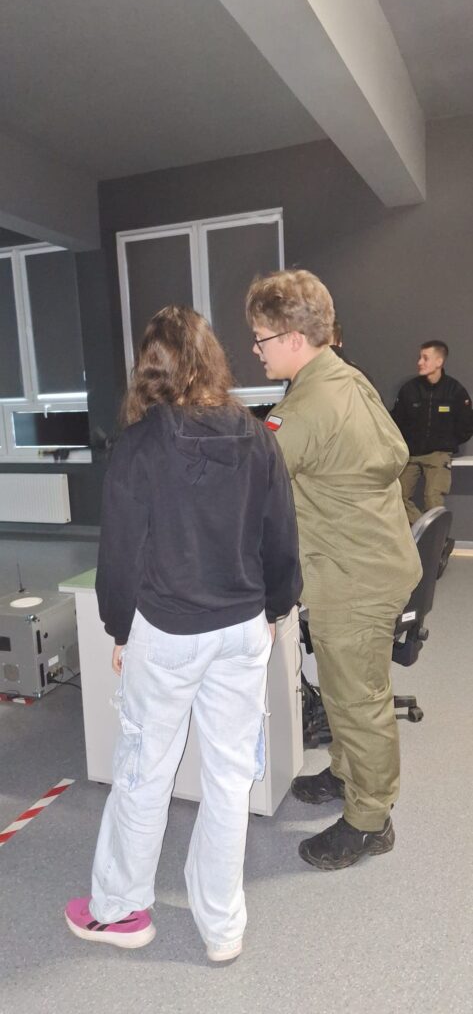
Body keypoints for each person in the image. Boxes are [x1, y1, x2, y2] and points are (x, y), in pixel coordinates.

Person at [65, 305, 302, 961]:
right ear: (211, 359)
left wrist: (119, 628)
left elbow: (120, 556)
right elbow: (280, 537)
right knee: (229, 780)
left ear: (151, 368)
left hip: (167, 632)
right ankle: (223, 928)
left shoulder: (139, 445)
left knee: (144, 770)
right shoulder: (257, 436)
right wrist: (274, 610)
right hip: (242, 630)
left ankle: (120, 910)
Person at [246, 270, 422, 871]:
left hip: (353, 576)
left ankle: (370, 821)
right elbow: (392, 452)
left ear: (293, 337)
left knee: (358, 699)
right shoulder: (347, 378)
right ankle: (348, 774)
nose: (256, 350)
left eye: (262, 338)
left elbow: (250, 486)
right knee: (350, 690)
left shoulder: (305, 406)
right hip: (372, 561)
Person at [391, 340, 473, 527]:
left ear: (439, 361)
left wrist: (447, 443)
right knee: (397, 497)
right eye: (419, 357)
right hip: (411, 454)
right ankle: (426, 530)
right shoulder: (409, 389)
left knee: (433, 500)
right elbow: (396, 421)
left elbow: (467, 424)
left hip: (438, 455)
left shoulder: (455, 390)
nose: (419, 362)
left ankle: (436, 540)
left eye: (425, 358)